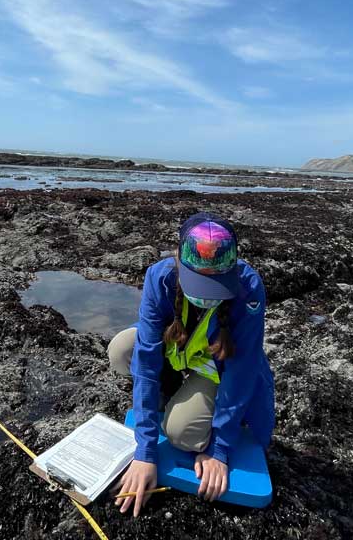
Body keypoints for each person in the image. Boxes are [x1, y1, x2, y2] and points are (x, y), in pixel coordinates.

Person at [108, 212, 274, 517]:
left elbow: (242, 369)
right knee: (122, 350)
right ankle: (172, 397)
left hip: (218, 368)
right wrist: (145, 453)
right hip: (179, 351)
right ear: (179, 264)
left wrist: (219, 448)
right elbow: (145, 362)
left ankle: (188, 405)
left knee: (183, 435)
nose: (207, 297)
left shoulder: (249, 287)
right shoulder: (160, 278)